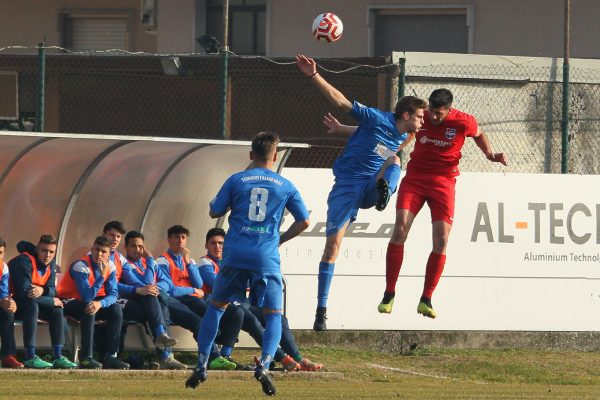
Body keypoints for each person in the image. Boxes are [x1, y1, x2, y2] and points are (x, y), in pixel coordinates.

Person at [325, 89, 508, 318]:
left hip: (443, 183)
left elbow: (480, 134)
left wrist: (490, 154)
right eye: (430, 111)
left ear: (449, 110)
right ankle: (389, 294)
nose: (432, 117)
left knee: (442, 238)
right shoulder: (420, 121)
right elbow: (388, 135)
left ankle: (426, 299)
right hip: (415, 179)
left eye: (439, 114)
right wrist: (342, 130)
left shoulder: (463, 122)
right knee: (400, 228)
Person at [295, 54, 427, 331]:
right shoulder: (376, 118)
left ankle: (384, 192)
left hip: (370, 186)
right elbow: (342, 102)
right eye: (419, 117)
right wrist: (313, 75)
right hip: (346, 186)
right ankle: (321, 311)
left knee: (394, 161)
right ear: (406, 115)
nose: (422, 121)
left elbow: (381, 146)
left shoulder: (405, 136)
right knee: (332, 248)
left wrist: (344, 131)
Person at [185, 131, 310, 396]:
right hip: (265, 256)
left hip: (235, 255)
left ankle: (202, 364)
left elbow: (214, 211)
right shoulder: (285, 185)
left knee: (216, 308)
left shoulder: (236, 180)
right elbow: (304, 221)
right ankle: (265, 364)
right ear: (275, 157)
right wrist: (280, 239)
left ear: (251, 155)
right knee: (273, 315)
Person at [198, 227, 323, 372]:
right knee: (250, 318)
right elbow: (218, 286)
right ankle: (283, 358)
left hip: (241, 302)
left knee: (279, 319)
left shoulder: (233, 262)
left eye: (221, 243)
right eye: (213, 243)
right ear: (206, 245)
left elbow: (250, 282)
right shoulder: (204, 262)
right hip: (221, 304)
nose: (217, 247)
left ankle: (298, 357)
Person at [155, 225, 239, 371]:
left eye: (183, 237)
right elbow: (170, 289)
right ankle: (214, 354)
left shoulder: (190, 261)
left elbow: (199, 283)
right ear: (169, 240)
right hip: (177, 300)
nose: (180, 241)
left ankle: (219, 352)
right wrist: (193, 290)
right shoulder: (163, 261)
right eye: (176, 237)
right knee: (204, 319)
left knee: (235, 313)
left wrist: (188, 263)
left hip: (194, 298)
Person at [99, 221, 178, 364]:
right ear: (104, 234)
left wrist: (146, 288)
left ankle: (163, 343)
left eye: (118, 236)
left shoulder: (119, 258)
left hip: (121, 298)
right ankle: (164, 353)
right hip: (103, 299)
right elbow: (107, 283)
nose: (115, 239)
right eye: (112, 235)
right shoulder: (98, 255)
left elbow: (140, 282)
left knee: (153, 299)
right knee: (156, 309)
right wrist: (139, 289)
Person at [58, 236, 130, 369]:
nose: (99, 254)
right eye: (97, 250)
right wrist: (101, 277)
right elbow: (86, 297)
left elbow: (113, 294)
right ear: (92, 249)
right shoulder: (81, 265)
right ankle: (86, 357)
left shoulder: (111, 266)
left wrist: (100, 304)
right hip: (68, 301)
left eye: (104, 252)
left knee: (116, 310)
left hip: (92, 301)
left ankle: (111, 356)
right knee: (89, 308)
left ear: (109, 254)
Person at [8, 235, 77, 369]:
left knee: (57, 310)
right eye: (44, 250)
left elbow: (52, 289)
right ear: (37, 249)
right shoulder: (23, 261)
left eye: (51, 252)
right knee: (32, 305)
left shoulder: (50, 263)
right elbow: (24, 293)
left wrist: (42, 289)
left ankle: (58, 356)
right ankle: (30, 356)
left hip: (35, 302)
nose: (48, 255)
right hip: (14, 303)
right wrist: (51, 300)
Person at [121, 230, 187, 369]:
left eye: (140, 246)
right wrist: (150, 258)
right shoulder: (126, 265)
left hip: (154, 301)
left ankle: (164, 344)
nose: (137, 250)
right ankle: (166, 355)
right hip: (132, 302)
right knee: (153, 299)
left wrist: (154, 286)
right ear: (125, 247)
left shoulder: (147, 263)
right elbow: (142, 284)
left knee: (160, 305)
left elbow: (167, 283)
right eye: (133, 246)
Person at [0, 237, 23, 368]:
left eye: (0, 253)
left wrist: (9, 302)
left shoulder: (3, 268)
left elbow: (3, 293)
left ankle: (8, 356)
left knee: (8, 313)